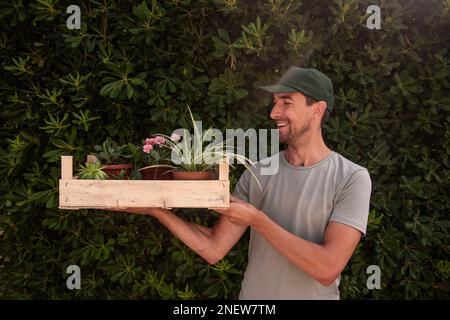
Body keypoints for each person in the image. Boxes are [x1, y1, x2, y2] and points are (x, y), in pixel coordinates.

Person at [112, 67, 372, 299]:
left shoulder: (351, 177)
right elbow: (214, 248)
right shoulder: (258, 172)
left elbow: (327, 268)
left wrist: (258, 220)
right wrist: (156, 210)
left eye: (286, 103)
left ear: (317, 109)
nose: (273, 113)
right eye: (274, 103)